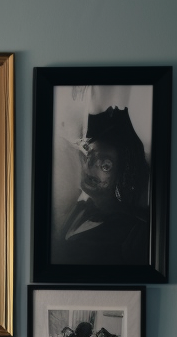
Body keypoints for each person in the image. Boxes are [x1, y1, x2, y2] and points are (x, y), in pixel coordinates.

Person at [53, 106, 150, 266]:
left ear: (122, 175)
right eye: (88, 156)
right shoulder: (79, 208)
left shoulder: (134, 232)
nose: (90, 168)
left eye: (105, 165)